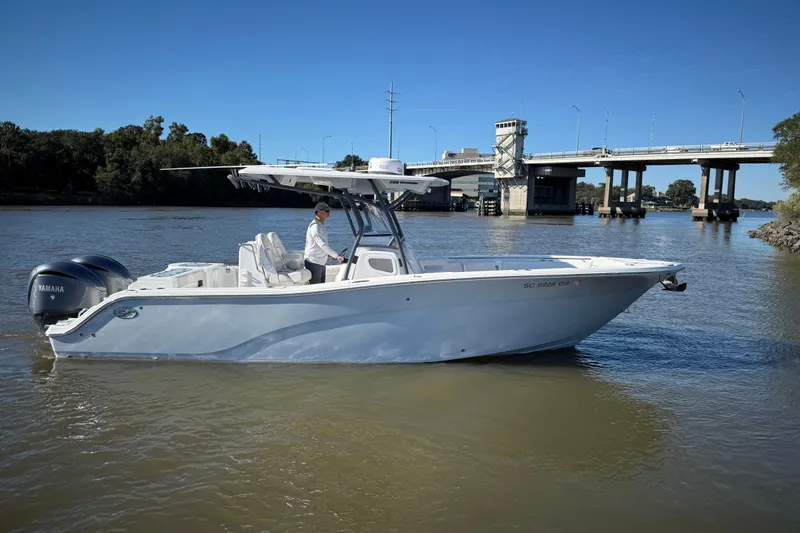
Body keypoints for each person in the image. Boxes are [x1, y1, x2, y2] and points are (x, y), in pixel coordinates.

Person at [304, 202, 345, 284]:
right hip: (314, 262)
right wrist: (336, 256)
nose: (329, 213)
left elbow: (321, 245)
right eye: (326, 211)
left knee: (321, 286)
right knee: (316, 289)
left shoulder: (321, 225)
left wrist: (328, 254)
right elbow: (322, 244)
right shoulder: (314, 227)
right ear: (319, 212)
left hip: (321, 262)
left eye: (329, 211)